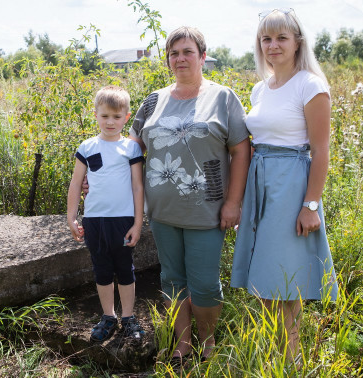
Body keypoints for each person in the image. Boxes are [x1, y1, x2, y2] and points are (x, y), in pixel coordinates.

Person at [129, 26, 250, 361]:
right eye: (173, 53)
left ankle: (208, 343)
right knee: (171, 279)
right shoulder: (153, 100)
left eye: (187, 52)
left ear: (202, 56)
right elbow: (131, 150)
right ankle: (182, 345)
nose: (180, 58)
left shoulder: (222, 97)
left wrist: (234, 202)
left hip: (207, 212)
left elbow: (241, 151)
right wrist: (94, 175)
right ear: (167, 59)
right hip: (162, 211)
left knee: (206, 284)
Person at [231, 8, 338, 364]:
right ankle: (279, 354)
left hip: (290, 183)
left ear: (297, 43)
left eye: (281, 38)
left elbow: (321, 150)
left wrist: (310, 205)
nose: (273, 45)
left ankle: (288, 359)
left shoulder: (310, 84)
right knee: (266, 274)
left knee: (282, 275)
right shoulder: (261, 88)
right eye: (266, 39)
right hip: (260, 183)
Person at [67, 85, 145, 342]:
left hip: (122, 221)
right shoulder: (87, 147)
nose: (110, 122)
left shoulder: (131, 149)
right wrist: (71, 217)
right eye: (105, 116)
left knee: (124, 268)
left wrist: (137, 222)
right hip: (95, 221)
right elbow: (76, 183)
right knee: (101, 269)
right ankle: (109, 316)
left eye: (116, 116)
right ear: (96, 114)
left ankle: (129, 317)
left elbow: (137, 186)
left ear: (126, 116)